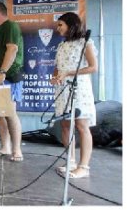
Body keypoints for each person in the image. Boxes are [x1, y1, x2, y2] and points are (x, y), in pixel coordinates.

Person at [51, 12, 97, 179]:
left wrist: (69, 73)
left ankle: (84, 167)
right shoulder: (61, 45)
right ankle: (70, 160)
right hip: (63, 91)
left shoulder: (85, 43)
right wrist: (55, 77)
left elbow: (93, 67)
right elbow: (57, 67)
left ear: (71, 25)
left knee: (81, 126)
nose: (58, 28)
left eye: (60, 25)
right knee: (65, 125)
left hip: (80, 91)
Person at [0, 1, 24, 162]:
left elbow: (12, 49)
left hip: (7, 77)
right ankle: (5, 147)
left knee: (9, 113)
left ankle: (17, 150)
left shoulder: (10, 26)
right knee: (1, 114)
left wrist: (2, 71)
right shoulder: (0, 30)